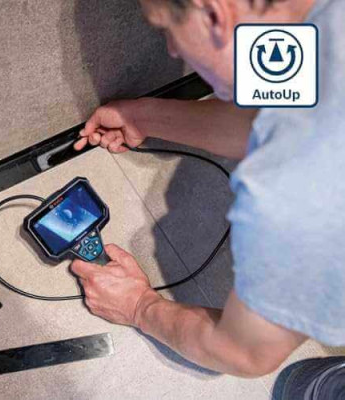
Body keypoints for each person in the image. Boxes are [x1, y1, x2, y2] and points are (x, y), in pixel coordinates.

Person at [70, 0, 345, 378]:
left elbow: (244, 353)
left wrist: (139, 306)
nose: (172, 49)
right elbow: (271, 114)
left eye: (167, 29)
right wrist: (143, 117)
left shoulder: (296, 187)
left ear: (214, 14)